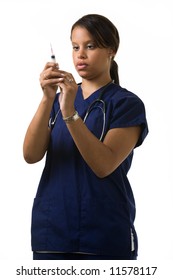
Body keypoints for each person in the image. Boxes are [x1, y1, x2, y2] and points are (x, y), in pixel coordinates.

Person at [23, 14, 148, 260]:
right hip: (53, 235)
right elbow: (30, 155)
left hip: (104, 236)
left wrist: (69, 112)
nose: (80, 55)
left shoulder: (126, 104)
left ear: (111, 50)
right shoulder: (58, 100)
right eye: (75, 47)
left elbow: (103, 165)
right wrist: (48, 98)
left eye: (90, 46)